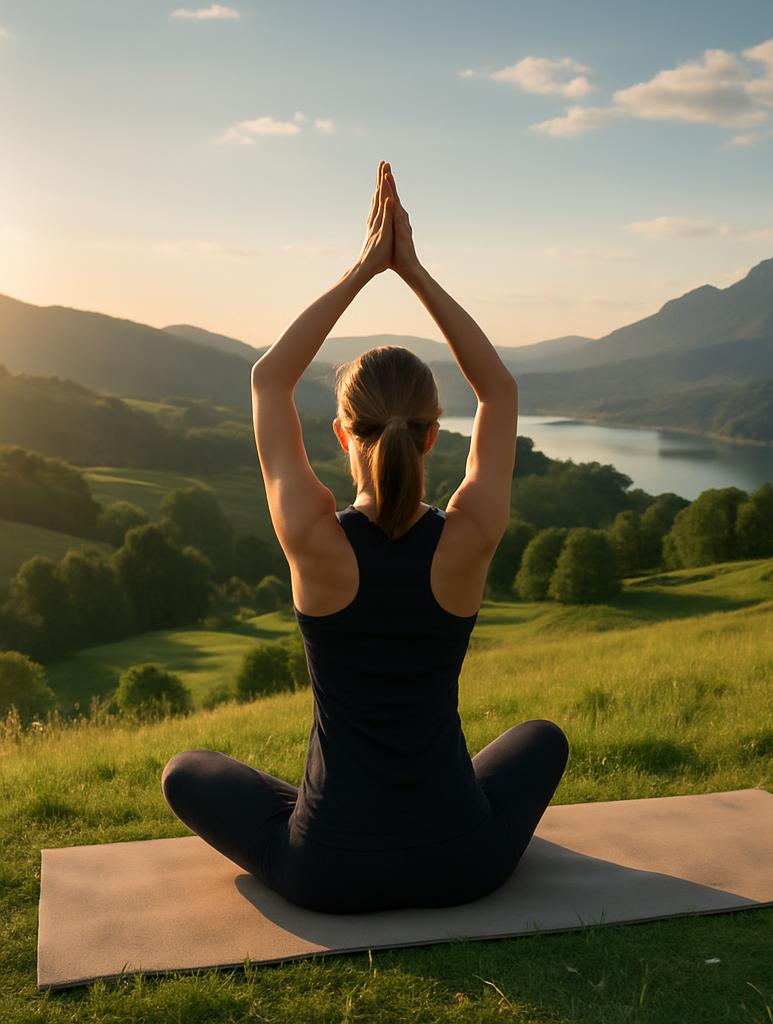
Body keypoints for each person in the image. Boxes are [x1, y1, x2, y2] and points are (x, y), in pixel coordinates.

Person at [160, 161, 570, 913]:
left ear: (342, 434)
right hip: (463, 863)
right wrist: (411, 269)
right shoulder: (470, 534)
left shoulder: (313, 540)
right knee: (543, 739)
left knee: (186, 771)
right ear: (434, 435)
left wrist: (365, 267)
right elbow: (501, 390)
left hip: (329, 873)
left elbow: (267, 380)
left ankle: (317, 803)